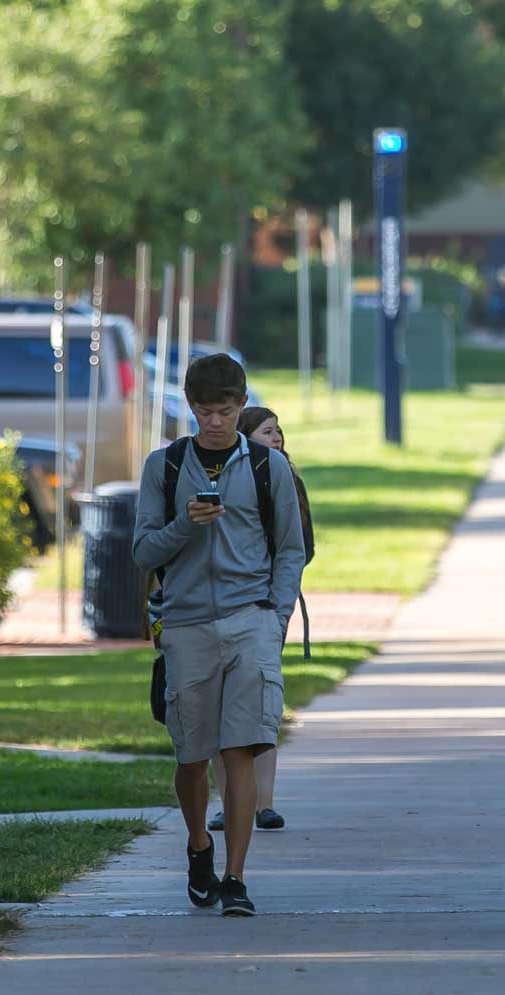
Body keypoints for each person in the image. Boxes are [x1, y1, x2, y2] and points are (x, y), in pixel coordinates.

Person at [132, 353, 305, 918]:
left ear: (241, 404)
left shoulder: (265, 467)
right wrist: (185, 524)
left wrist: (275, 618)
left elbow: (291, 549)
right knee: (192, 756)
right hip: (185, 625)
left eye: (227, 412)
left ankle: (236, 877)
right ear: (191, 407)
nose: (216, 423)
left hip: (251, 618)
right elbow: (142, 552)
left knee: (242, 748)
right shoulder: (164, 466)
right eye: (205, 412)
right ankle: (199, 847)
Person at [209, 404, 315, 834]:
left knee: (261, 704)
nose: (276, 439)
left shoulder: (287, 479)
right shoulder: (215, 476)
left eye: (278, 432)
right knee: (220, 706)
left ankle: (263, 804)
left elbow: (302, 545)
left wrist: (278, 601)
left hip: (267, 605)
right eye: (267, 432)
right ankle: (228, 801)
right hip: (218, 604)